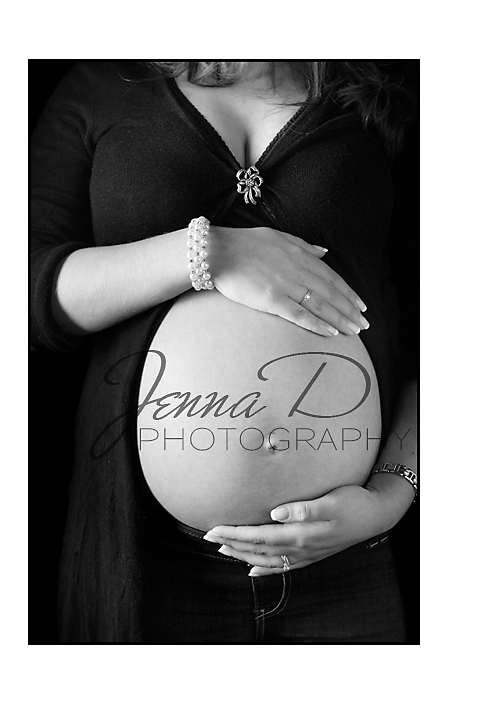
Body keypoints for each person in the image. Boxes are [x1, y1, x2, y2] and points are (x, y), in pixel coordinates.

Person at [30, 60, 418, 643]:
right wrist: (209, 253)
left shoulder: (385, 92)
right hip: (146, 557)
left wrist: (392, 495)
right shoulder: (103, 84)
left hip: (348, 552)